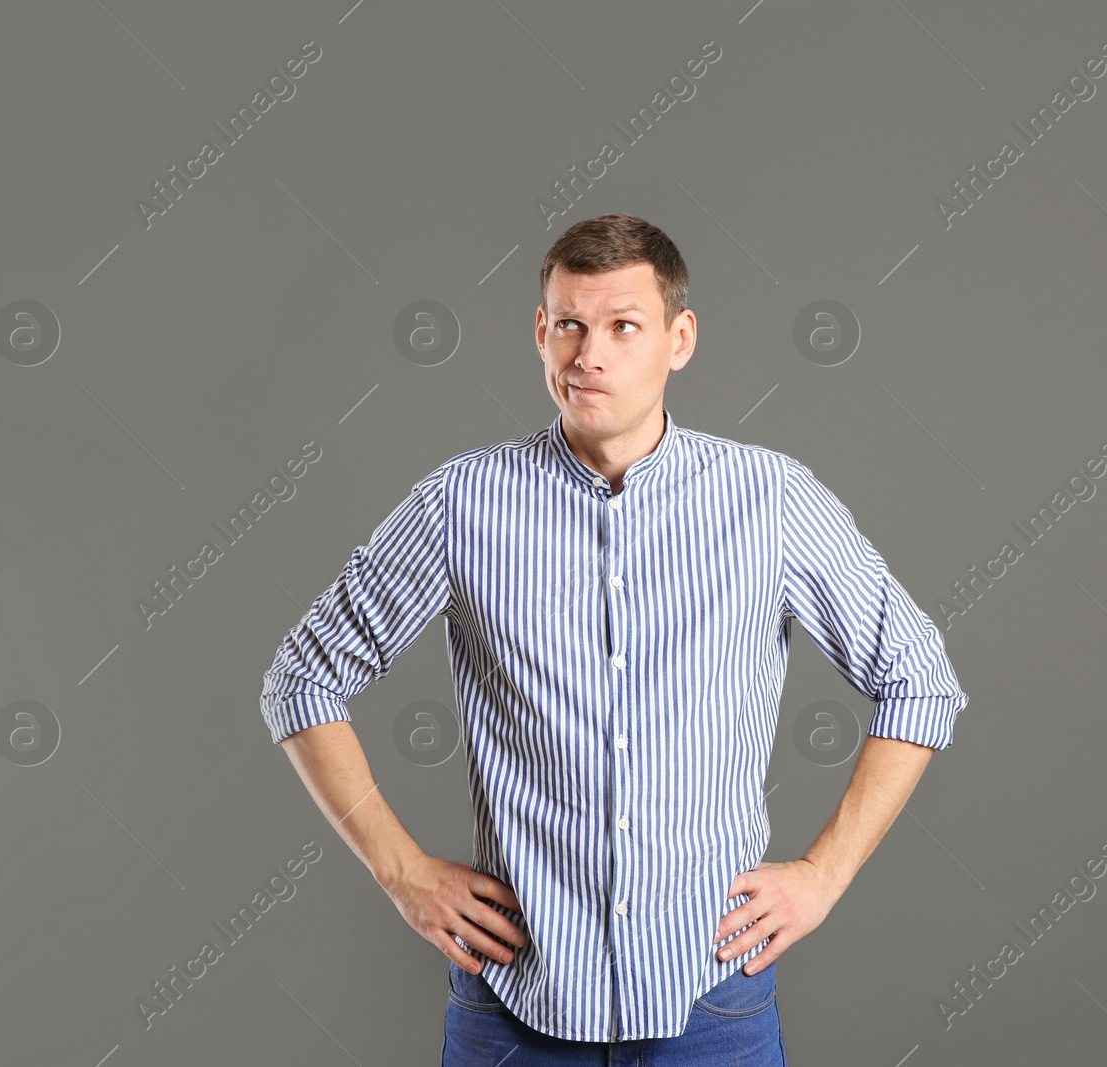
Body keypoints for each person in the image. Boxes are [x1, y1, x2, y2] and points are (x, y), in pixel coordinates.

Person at [259, 213, 970, 1065]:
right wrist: (402, 871)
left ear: (680, 339)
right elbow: (300, 680)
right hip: (516, 1006)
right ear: (540, 332)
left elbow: (920, 681)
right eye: (569, 324)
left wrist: (825, 873)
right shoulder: (462, 503)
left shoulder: (771, 502)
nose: (588, 353)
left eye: (622, 326)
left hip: (711, 1001)